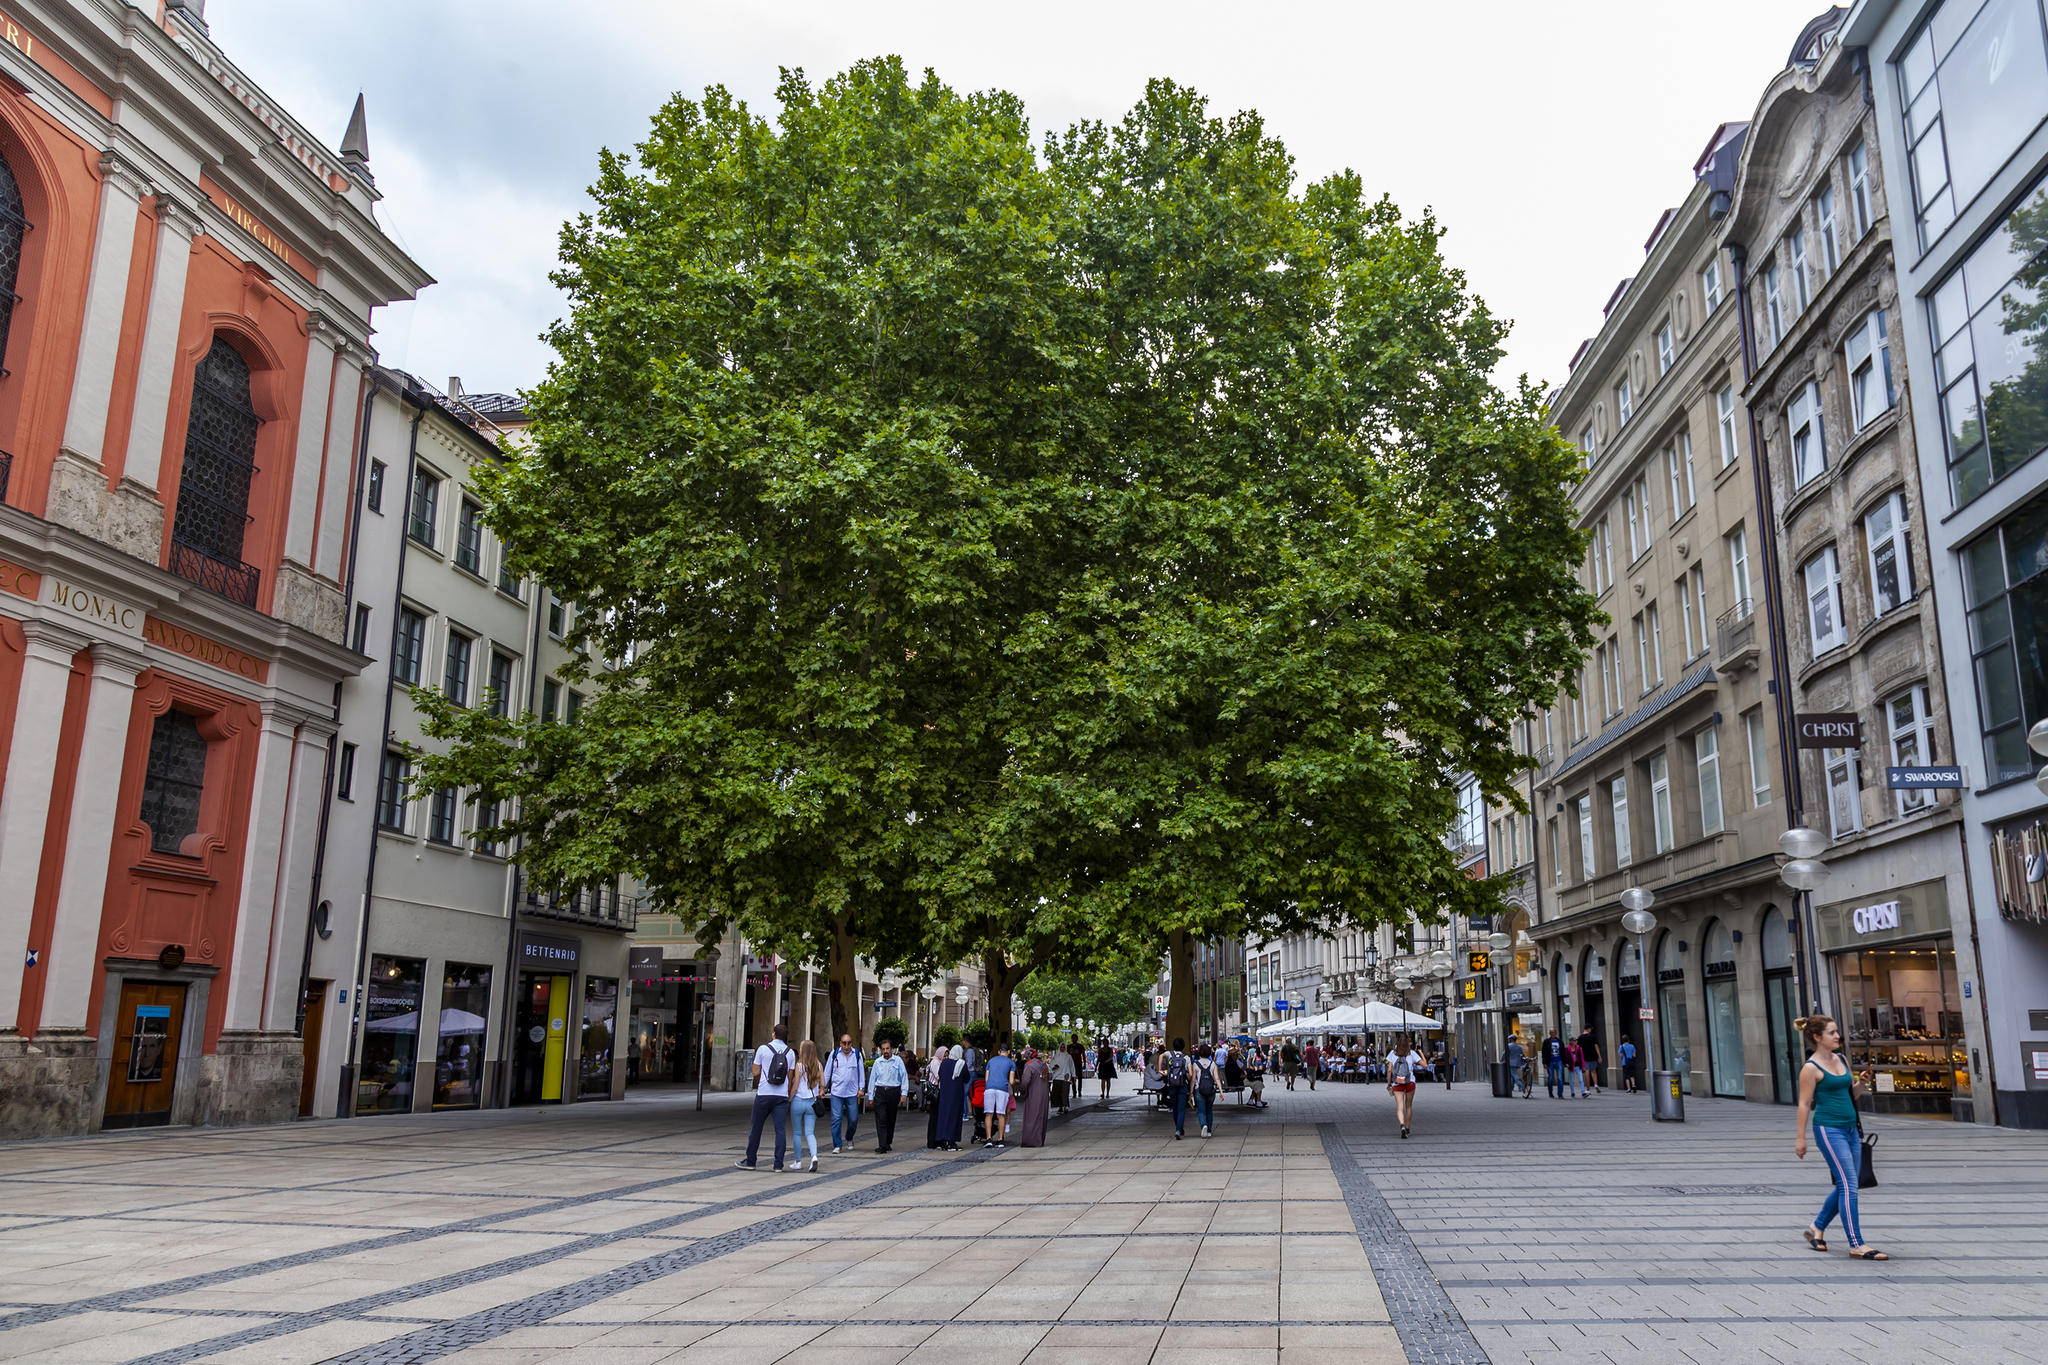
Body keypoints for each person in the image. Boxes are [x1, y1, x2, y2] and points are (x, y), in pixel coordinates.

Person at [1793, 1014, 1886, 1260]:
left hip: (1851, 1129)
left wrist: (1862, 1084)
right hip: (1828, 1129)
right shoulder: (1810, 1068)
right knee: (1849, 1185)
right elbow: (1804, 1104)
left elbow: (1850, 1095)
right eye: (1832, 1032)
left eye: (1837, 1031)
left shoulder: (1842, 1059)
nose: (1838, 1036)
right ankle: (1856, 1243)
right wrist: (1800, 1139)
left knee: (1849, 1183)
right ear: (1817, 1037)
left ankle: (1817, 1227)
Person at [736, 1023, 797, 1171]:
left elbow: (755, 1072)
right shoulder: (790, 1053)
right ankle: (778, 1165)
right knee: (780, 1130)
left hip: (764, 1094)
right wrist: (788, 1097)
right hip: (781, 1096)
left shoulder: (763, 1049)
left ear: (773, 1034)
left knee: (756, 1128)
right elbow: (790, 1077)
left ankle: (751, 1161)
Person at [822, 1034, 866, 1153]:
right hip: (837, 1091)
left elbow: (861, 1072)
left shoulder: (856, 1055)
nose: (846, 1046)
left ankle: (849, 1137)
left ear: (851, 1043)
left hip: (852, 1092)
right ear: (840, 1043)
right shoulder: (834, 1055)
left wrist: (861, 1088)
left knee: (853, 1119)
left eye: (849, 1043)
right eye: (844, 1043)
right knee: (836, 1119)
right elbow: (827, 1073)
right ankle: (837, 1144)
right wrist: (822, 1087)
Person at [789, 1040, 824, 1172]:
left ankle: (797, 1161)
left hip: (798, 1101)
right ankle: (814, 1156)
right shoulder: (819, 1065)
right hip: (812, 1103)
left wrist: (789, 1100)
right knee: (810, 1132)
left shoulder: (799, 1066)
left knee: (797, 1133)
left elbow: (795, 1086)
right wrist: (820, 1090)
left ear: (803, 1050)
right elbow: (823, 1083)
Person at [869, 1038, 908, 1153]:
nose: (885, 1051)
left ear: (891, 1049)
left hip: (893, 1092)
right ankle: (882, 1145)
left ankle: (888, 1141)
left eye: (887, 1048)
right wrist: (870, 1096)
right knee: (881, 1119)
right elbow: (872, 1080)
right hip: (880, 1092)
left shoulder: (898, 1061)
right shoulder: (877, 1062)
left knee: (890, 1118)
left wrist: (904, 1093)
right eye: (883, 1049)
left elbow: (904, 1077)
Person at [932, 1045, 968, 1150]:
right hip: (956, 1094)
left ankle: (941, 1140)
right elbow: (966, 1078)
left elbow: (940, 1074)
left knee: (943, 1116)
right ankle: (952, 1142)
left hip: (944, 1094)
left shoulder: (944, 1063)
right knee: (954, 1117)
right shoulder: (961, 1064)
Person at [1387, 1036, 1422, 1138]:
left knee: (1400, 1108)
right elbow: (1424, 1065)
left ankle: (1401, 1124)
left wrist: (1389, 1083)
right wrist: (1421, 1054)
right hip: (1410, 1082)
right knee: (1409, 1106)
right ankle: (1407, 1129)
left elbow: (1389, 1070)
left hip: (1397, 1083)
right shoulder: (1411, 1053)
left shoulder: (1393, 1053)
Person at [983, 1042, 1016, 1148]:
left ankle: (988, 1139)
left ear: (998, 1052)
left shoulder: (990, 1061)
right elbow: (1011, 1081)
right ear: (1009, 1052)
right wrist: (1016, 1081)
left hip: (989, 1088)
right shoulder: (1011, 1063)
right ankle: (1000, 1139)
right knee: (1000, 1114)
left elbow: (986, 1079)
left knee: (988, 1114)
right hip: (1002, 1089)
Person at [1017, 1048, 1051, 1147]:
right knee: (1041, 1116)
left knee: (1032, 1117)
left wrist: (1022, 1091)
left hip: (1033, 1095)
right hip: (1044, 1095)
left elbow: (1025, 1082)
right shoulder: (1043, 1063)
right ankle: (1040, 1140)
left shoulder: (1029, 1065)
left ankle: (1031, 1141)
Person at [1161, 1037, 1192, 1139]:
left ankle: (1179, 1129)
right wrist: (1186, 1079)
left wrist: (1160, 1070)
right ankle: (1179, 1130)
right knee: (1181, 1108)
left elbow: (1161, 1056)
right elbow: (1190, 1074)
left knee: (1174, 1108)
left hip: (1172, 1084)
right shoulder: (1186, 1058)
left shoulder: (1169, 1054)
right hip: (1182, 1085)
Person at [1190, 1042, 1223, 1137]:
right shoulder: (1213, 1064)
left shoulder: (1196, 1064)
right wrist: (1221, 1091)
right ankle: (1209, 1130)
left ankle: (1203, 1125)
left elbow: (1193, 1080)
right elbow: (1217, 1078)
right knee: (1209, 1110)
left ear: (1199, 1053)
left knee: (1201, 1110)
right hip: (1211, 1090)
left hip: (1199, 1090)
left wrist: (1191, 1092)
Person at [1048, 1045, 1076, 1113]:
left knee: (1065, 1092)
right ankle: (1060, 1107)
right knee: (1057, 1092)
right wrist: (1055, 1067)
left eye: (1063, 1047)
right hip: (1057, 1077)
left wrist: (1074, 1075)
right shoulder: (1056, 1057)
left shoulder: (1068, 1056)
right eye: (1061, 1047)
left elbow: (1072, 1066)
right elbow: (1051, 1066)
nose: (1062, 1048)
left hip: (1066, 1076)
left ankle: (1065, 1106)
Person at [1578, 1028, 1604, 1095]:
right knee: (1594, 1071)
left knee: (1587, 1072)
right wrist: (1599, 1056)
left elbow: (1579, 1048)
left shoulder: (1580, 1037)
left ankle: (1588, 1089)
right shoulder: (1593, 1036)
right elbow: (1596, 1046)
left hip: (1585, 1056)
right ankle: (1596, 1084)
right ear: (1589, 1029)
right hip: (1593, 1056)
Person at [1542, 1029, 1566, 1098]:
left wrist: (1565, 1062)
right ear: (1549, 1033)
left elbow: (1563, 1052)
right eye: (1551, 1032)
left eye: (1554, 1032)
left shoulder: (1560, 1041)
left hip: (1559, 1061)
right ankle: (1550, 1091)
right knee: (1550, 1078)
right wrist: (1544, 1062)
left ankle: (1560, 1094)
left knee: (1560, 1078)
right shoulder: (1546, 1042)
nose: (1553, 1034)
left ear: (1556, 1033)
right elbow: (1544, 1053)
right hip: (1550, 1061)